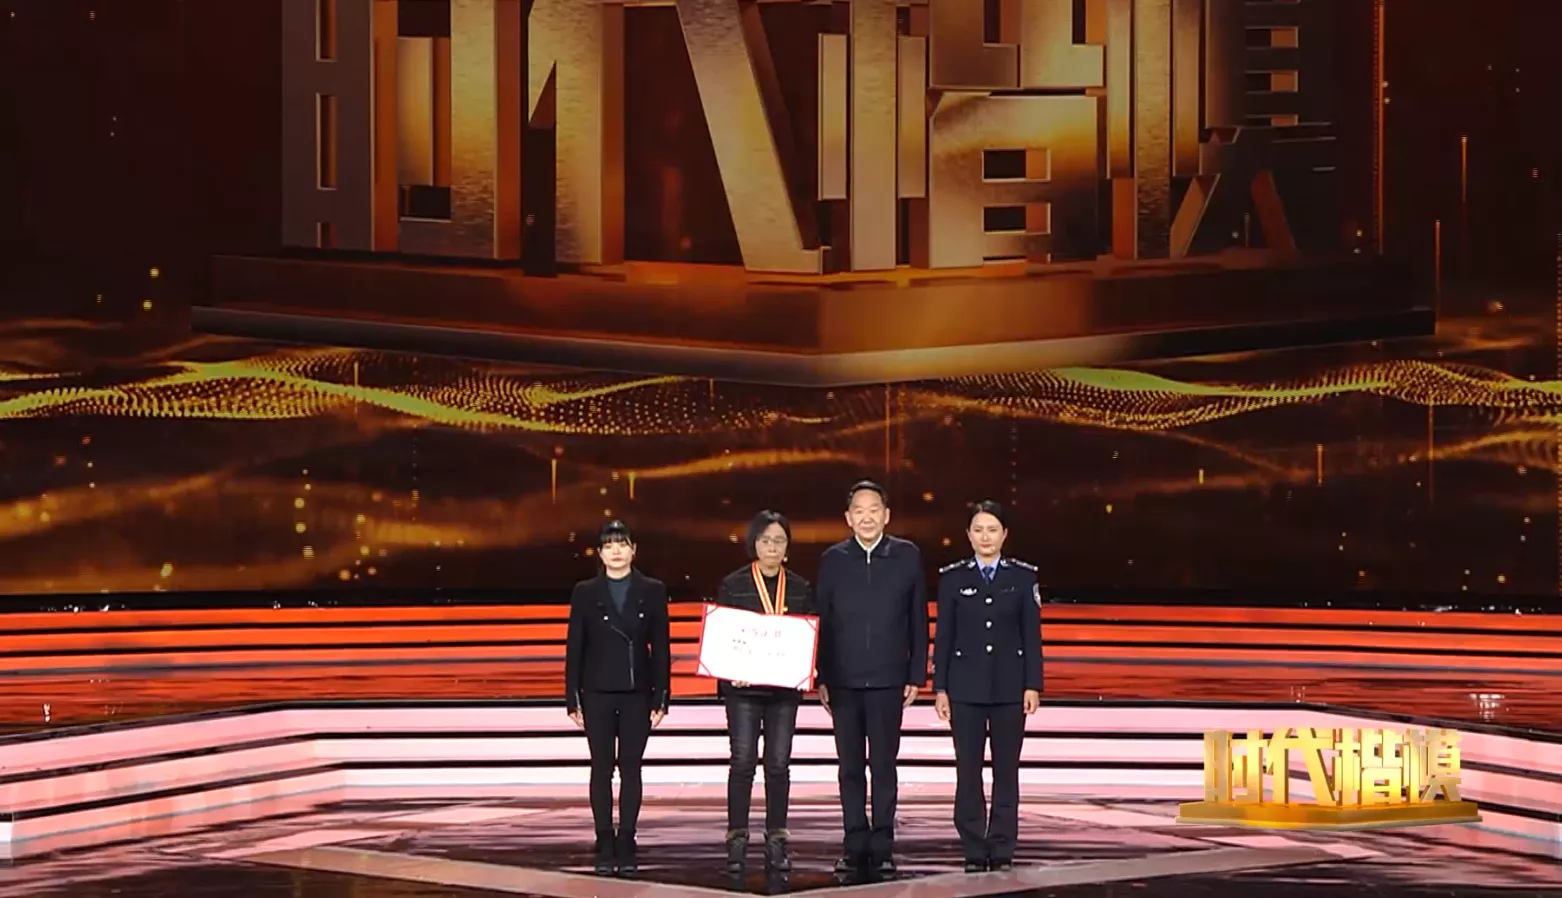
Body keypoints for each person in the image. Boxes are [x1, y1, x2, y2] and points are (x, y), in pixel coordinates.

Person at [815, 480, 928, 877]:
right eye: (859, 511)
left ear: (886, 515)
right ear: (848, 518)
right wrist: (822, 675)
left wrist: (916, 673)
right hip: (843, 681)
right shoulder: (833, 560)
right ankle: (854, 843)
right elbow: (823, 619)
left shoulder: (906, 556)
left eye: (873, 509)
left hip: (888, 679)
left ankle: (882, 845)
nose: (866, 517)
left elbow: (917, 617)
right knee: (849, 767)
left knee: (883, 766)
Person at [932, 500, 1042, 873]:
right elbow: (944, 637)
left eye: (992, 530)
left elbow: (1032, 636)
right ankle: (974, 847)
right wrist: (941, 687)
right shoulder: (953, 579)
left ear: (1004, 534)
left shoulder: (1023, 578)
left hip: (1010, 688)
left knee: (1006, 771)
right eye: (978, 530)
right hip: (965, 689)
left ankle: (1002, 845)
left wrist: (1032, 684)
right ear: (968, 535)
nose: (985, 537)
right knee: (968, 770)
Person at [564, 519, 671, 877]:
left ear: (633, 550)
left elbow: (661, 648)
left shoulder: (652, 590)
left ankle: (627, 836)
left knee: (631, 766)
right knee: (601, 766)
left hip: (637, 692)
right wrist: (572, 697)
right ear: (599, 553)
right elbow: (575, 646)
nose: (616, 551)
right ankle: (603, 836)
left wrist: (662, 696)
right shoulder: (585, 592)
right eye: (609, 545)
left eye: (622, 544)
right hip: (596, 691)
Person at [715, 510, 815, 875]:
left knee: (778, 763)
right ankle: (737, 839)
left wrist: (808, 667)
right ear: (753, 544)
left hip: (783, 692)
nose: (772, 547)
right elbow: (723, 637)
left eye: (779, 541)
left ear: (787, 547)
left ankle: (777, 839)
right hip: (743, 692)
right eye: (765, 540)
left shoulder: (801, 588)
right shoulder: (734, 584)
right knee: (743, 762)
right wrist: (731, 670)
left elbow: (810, 636)